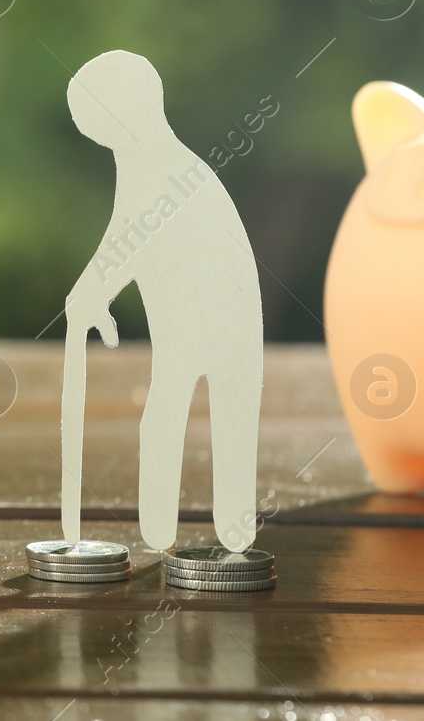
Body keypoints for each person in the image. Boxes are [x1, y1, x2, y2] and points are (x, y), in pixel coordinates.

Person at [63, 51, 263, 551]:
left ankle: (181, 535)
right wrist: (89, 295)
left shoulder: (158, 169)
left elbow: (128, 240)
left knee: (178, 416)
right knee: (210, 412)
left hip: (205, 322)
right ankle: (208, 534)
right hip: (215, 324)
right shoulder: (164, 163)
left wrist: (88, 293)